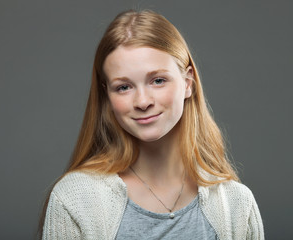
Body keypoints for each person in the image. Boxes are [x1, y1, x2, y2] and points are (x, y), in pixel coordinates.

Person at [40, 9, 264, 240]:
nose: (143, 102)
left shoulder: (237, 203)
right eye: (123, 87)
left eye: (158, 80)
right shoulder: (74, 199)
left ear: (188, 83)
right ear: (108, 96)